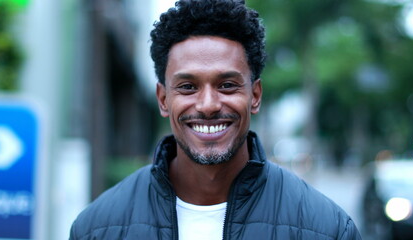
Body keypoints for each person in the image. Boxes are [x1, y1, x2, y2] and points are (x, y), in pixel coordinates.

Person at [69, 0, 362, 239]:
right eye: (187, 87)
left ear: (255, 95)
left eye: (227, 85)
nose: (208, 105)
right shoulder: (97, 229)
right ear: (163, 99)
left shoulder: (327, 229)